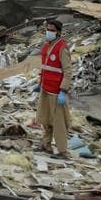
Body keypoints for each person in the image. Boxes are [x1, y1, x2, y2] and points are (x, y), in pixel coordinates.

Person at [34, 20, 72, 157]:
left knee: (59, 122)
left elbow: (67, 71)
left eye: (51, 30)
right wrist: (40, 82)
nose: (48, 32)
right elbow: (45, 66)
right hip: (45, 87)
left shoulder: (62, 48)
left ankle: (63, 150)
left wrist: (63, 90)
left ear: (58, 32)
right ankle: (46, 144)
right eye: (47, 29)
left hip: (56, 91)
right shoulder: (47, 46)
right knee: (46, 119)